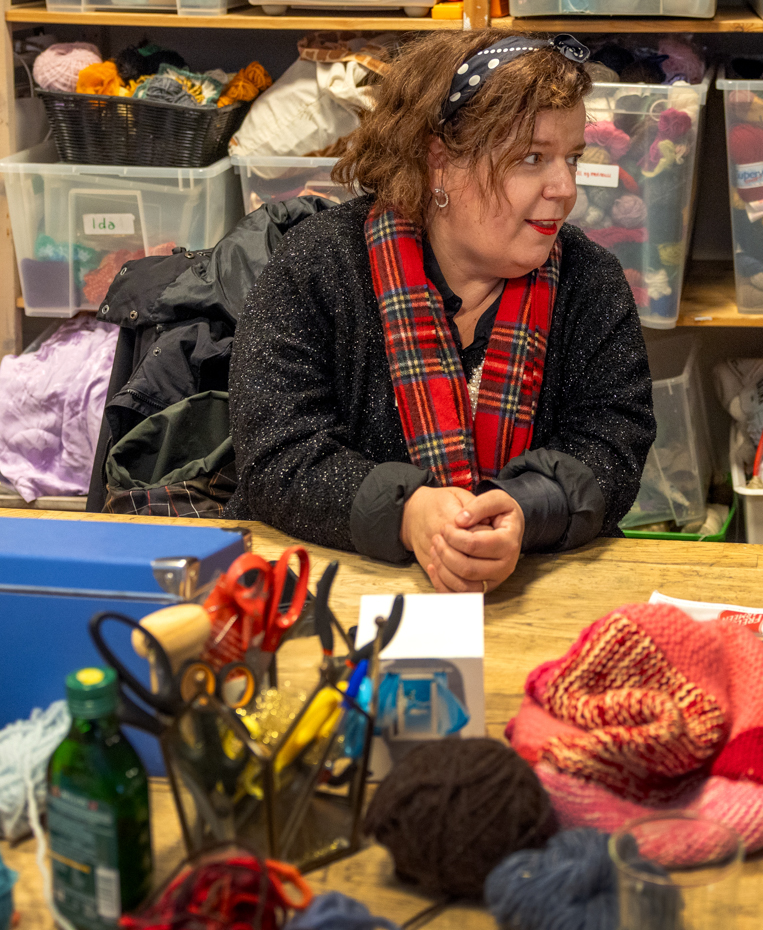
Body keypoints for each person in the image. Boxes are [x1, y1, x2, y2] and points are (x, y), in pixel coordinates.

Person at [227, 31, 655, 592]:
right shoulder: (317, 267)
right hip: (338, 591)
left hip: (536, 591)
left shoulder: (590, 281)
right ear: (439, 162)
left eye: (571, 158)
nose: (565, 188)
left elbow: (614, 441)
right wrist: (407, 514)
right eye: (532, 158)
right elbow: (277, 453)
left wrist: (526, 508)